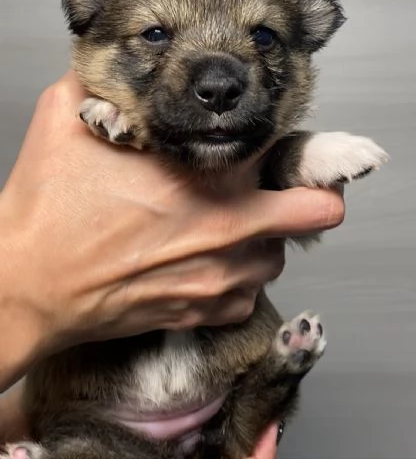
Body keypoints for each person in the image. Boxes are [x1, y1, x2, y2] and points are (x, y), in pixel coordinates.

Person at [0, 72, 345, 458]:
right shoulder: (92, 120)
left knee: (243, 413)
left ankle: (276, 377)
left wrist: (294, 157)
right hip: (96, 414)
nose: (217, 81)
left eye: (261, 37)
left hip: (222, 393)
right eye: (157, 35)